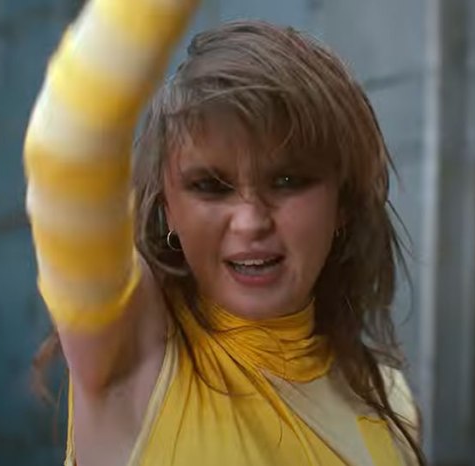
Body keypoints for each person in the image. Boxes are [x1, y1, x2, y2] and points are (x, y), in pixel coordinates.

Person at [23, 0, 423, 464]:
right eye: (210, 186)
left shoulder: (390, 399)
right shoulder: (132, 350)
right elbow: (68, 148)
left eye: (288, 180)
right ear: (168, 209)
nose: (251, 221)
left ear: (343, 205)